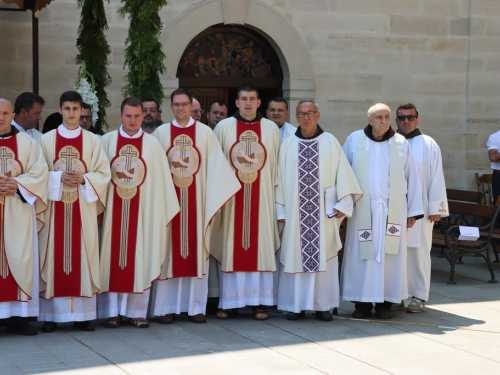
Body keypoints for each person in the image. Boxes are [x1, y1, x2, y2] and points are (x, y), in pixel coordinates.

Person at [151, 89, 240, 323]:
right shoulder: (161, 134)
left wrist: (213, 200)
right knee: (167, 252)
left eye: (184, 104)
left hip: (197, 204)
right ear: (171, 107)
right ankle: (166, 308)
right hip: (169, 205)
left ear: (192, 106)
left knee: (196, 251)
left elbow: (217, 168)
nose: (180, 108)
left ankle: (196, 307)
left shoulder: (205, 134)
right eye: (176, 105)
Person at [276, 100, 362, 321]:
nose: (306, 117)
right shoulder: (287, 144)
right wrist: (281, 212)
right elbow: (278, 179)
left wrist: (342, 204)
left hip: (323, 215)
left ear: (318, 115)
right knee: (295, 256)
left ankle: (322, 305)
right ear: (296, 117)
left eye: (310, 113)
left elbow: (343, 174)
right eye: (302, 114)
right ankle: (296, 306)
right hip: (295, 216)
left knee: (324, 256)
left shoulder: (330, 142)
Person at [98, 97, 179, 328]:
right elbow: (99, 179)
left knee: (140, 258)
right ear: (120, 116)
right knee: (112, 258)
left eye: (137, 116)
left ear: (143, 116)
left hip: (143, 214)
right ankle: (112, 312)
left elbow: (161, 183)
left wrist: (156, 214)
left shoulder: (152, 146)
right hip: (114, 211)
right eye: (128, 116)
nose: (132, 121)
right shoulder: (107, 142)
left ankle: (137, 312)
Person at [341, 103, 424, 320]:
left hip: (391, 211)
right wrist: (342, 207)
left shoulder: (400, 143)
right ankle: (362, 304)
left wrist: (412, 211)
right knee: (362, 259)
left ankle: (386, 303)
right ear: (369, 119)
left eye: (387, 116)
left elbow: (412, 177)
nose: (383, 121)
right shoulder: (354, 139)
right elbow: (343, 174)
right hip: (362, 211)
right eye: (378, 117)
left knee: (390, 259)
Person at [38, 91, 111, 332]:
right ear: (59, 110)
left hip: (83, 210)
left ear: (82, 111)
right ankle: (51, 315)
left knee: (84, 256)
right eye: (67, 108)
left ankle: (83, 315)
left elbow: (104, 174)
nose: (71, 113)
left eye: (75, 109)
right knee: (53, 256)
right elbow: (36, 174)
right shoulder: (46, 140)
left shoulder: (93, 141)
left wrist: (83, 178)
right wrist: (57, 177)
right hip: (54, 209)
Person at [213, 85, 281, 320]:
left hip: (262, 200)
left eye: (252, 99)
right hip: (232, 200)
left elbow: (277, 168)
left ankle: (259, 303)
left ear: (259, 103)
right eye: (244, 99)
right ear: (237, 102)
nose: (248, 103)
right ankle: (230, 302)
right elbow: (216, 164)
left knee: (260, 247)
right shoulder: (224, 127)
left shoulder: (271, 129)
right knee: (232, 246)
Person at [393, 103, 448, 313]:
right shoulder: (392, 141)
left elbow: (436, 176)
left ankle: (418, 296)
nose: (406, 121)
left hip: (423, 210)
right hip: (396, 210)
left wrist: (437, 207)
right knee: (396, 253)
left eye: (410, 117)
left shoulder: (428, 144)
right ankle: (396, 294)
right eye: (402, 117)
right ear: (396, 120)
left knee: (419, 252)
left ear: (417, 119)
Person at [0, 98, 48, 335]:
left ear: (12, 115)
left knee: (21, 259)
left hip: (18, 214)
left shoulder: (28, 144)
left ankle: (19, 318)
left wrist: (17, 185)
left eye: (5, 113)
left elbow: (40, 174)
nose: (1, 117)